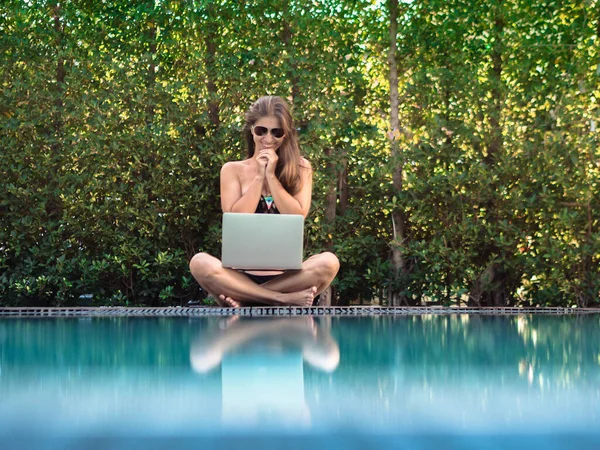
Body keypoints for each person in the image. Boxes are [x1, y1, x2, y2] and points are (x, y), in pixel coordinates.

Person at [189, 96, 340, 307]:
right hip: (239, 277)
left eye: (276, 132)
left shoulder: (301, 168)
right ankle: (280, 299)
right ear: (252, 130)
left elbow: (297, 214)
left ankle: (246, 298)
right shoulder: (232, 170)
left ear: (285, 134)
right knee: (200, 263)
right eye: (262, 130)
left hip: (288, 278)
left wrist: (271, 176)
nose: (268, 138)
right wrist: (259, 177)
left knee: (329, 262)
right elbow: (237, 219)